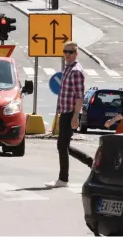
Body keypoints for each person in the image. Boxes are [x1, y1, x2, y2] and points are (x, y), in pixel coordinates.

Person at [46, 41, 94, 188]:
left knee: (62, 145)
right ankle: (91, 162)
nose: (67, 54)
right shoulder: (68, 68)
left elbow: (80, 97)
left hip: (69, 114)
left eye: (70, 52)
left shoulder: (76, 71)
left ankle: (63, 179)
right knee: (63, 145)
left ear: (76, 54)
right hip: (64, 112)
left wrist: (75, 116)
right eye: (65, 51)